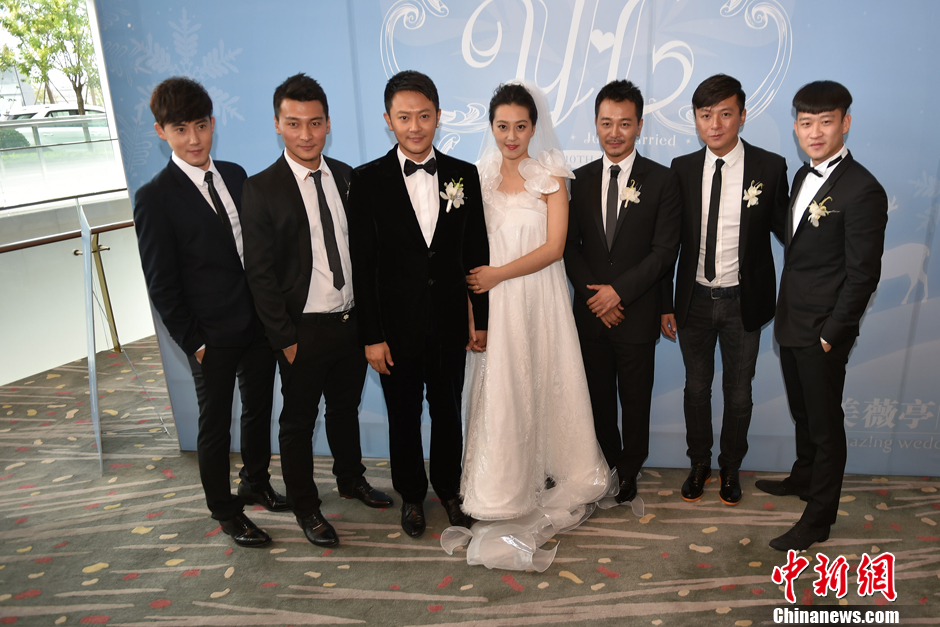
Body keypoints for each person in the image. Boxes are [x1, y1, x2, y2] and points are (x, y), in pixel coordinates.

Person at [442, 82, 611, 571]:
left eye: (520, 126)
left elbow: (555, 248)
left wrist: (498, 274)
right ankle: (501, 488)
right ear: (491, 127)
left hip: (539, 298)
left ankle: (559, 468)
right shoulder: (476, 178)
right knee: (502, 388)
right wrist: (474, 307)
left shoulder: (552, 175)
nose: (511, 136)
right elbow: (467, 252)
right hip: (494, 305)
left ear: (534, 127)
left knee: (545, 379)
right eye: (502, 126)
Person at [240, 74, 393, 548]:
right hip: (300, 330)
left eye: (314, 123)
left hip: (350, 320)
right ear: (277, 124)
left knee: (345, 409)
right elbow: (259, 273)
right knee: (298, 424)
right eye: (294, 123)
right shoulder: (260, 188)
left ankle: (350, 479)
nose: (305, 134)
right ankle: (306, 507)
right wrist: (284, 337)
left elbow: (366, 254)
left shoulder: (349, 177)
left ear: (328, 123)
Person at [133, 77, 284, 548]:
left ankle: (255, 482)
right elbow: (161, 284)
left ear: (213, 123)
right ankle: (225, 510)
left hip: (256, 324)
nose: (194, 139)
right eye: (180, 129)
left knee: (258, 410)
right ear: (161, 132)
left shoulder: (236, 175)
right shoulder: (155, 197)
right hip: (209, 337)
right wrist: (194, 342)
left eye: (200, 126)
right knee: (215, 426)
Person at [348, 70, 489, 538]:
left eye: (424, 116)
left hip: (449, 324)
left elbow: (477, 253)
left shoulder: (464, 175)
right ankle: (411, 495)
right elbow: (363, 265)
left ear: (439, 117)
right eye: (404, 117)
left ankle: (449, 490)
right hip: (395, 329)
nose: (415, 126)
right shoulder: (366, 180)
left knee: (449, 413)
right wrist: (372, 336)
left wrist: (481, 320)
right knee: (403, 416)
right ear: (388, 120)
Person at [761, 81, 888, 551]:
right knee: (803, 413)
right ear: (796, 127)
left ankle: (818, 519)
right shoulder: (801, 176)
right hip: (792, 320)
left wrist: (833, 334)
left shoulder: (863, 190)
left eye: (826, 122)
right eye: (806, 123)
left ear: (845, 123)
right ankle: (804, 476)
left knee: (825, 425)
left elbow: (863, 275)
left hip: (822, 332)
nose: (814, 132)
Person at [662, 74, 789, 505]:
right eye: (705, 115)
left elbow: (789, 233)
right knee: (696, 389)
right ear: (695, 119)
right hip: (694, 300)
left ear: (742, 116)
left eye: (724, 114)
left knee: (739, 393)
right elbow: (668, 244)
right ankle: (699, 463)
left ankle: (731, 467)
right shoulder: (681, 169)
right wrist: (665, 303)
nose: (714, 125)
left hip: (742, 302)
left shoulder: (769, 168)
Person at [565, 80, 682, 503]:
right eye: (606, 123)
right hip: (591, 314)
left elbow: (664, 251)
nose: (615, 133)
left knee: (635, 400)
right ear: (596, 124)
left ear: (639, 126)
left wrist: (618, 293)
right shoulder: (578, 179)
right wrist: (596, 298)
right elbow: (569, 247)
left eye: (625, 124)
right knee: (597, 399)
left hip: (637, 311)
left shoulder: (663, 180)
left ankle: (630, 469)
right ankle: (608, 464)